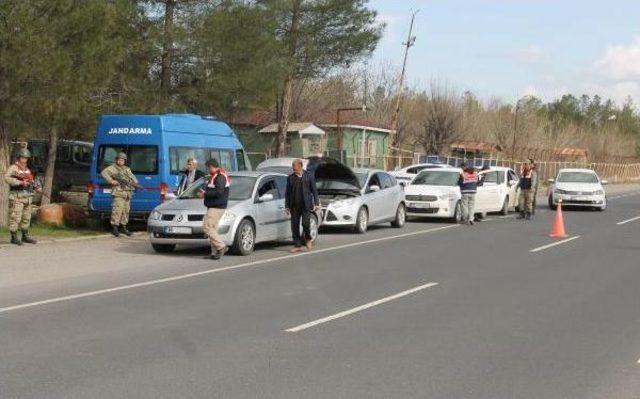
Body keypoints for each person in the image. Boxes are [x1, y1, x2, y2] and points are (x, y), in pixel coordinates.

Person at [4, 148, 39, 245]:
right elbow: (7, 178)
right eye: (23, 157)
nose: (25, 160)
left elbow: (32, 181)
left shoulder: (28, 169)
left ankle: (25, 235)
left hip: (28, 197)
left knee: (26, 217)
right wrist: (19, 182)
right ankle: (14, 237)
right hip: (17, 197)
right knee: (16, 217)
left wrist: (36, 187)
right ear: (19, 158)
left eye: (26, 158)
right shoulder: (13, 168)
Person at [285, 158, 319, 253]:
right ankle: (297, 245)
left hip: (306, 205)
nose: (293, 169)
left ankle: (308, 239)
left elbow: (314, 191)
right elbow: (287, 193)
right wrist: (287, 206)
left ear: (300, 166)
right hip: (294, 206)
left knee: (305, 223)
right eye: (292, 167)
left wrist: (316, 203)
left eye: (294, 167)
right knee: (294, 226)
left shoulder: (309, 176)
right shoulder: (290, 178)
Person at [101, 152, 138, 237]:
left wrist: (132, 181)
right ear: (117, 160)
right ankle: (115, 228)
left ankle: (124, 227)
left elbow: (134, 179)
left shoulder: (127, 169)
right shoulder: (112, 168)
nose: (121, 161)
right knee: (117, 210)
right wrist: (111, 181)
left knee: (126, 211)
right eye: (120, 160)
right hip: (118, 193)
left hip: (127, 193)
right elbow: (104, 173)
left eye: (123, 160)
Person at [200, 158, 229, 260]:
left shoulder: (220, 177)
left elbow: (219, 192)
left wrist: (205, 193)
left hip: (216, 207)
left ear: (212, 166)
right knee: (213, 229)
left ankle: (221, 246)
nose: (208, 170)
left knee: (207, 227)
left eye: (208, 167)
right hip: (214, 206)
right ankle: (214, 252)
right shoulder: (216, 176)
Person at [458, 161, 481, 225]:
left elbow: (459, 183)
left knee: (464, 206)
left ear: (464, 167)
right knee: (471, 206)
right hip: (473, 191)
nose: (461, 168)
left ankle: (465, 219)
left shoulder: (462, 174)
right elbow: (478, 182)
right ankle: (471, 219)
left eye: (461, 167)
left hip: (465, 191)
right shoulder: (475, 173)